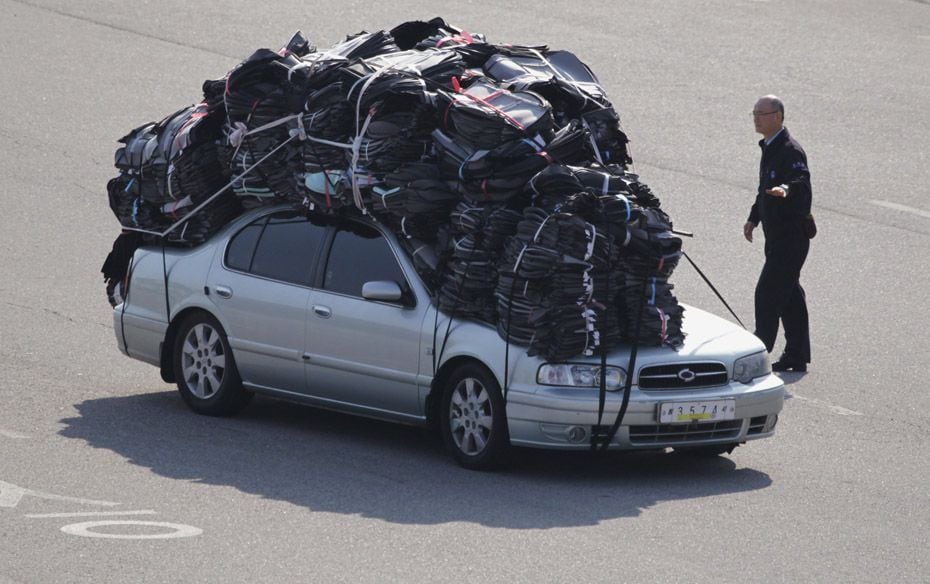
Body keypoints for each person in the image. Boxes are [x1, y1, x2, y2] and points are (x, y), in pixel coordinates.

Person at [743, 95, 812, 372]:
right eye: (754, 113)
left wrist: (786, 189)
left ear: (778, 117)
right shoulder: (770, 146)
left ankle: (758, 352)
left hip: (791, 239)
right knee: (790, 297)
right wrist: (753, 217)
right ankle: (796, 355)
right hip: (776, 237)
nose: (757, 118)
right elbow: (764, 188)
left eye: (762, 113)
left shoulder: (790, 150)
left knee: (768, 293)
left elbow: (800, 182)